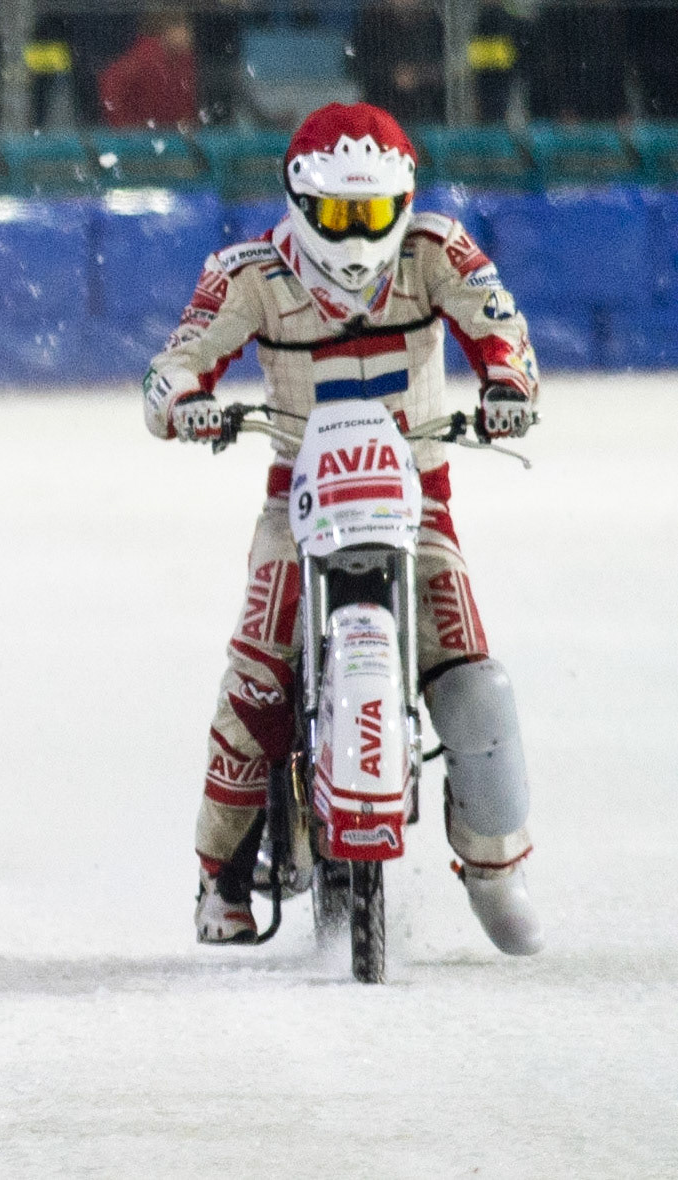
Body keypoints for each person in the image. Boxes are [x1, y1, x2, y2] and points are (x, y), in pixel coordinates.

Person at [140, 103, 544, 956]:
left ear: (400, 202)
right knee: (253, 679)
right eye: (335, 214)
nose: (354, 235)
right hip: (299, 498)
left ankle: (496, 866)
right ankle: (220, 878)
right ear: (296, 202)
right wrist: (182, 404)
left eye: (370, 214)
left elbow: (498, 324)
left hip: (418, 497)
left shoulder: (436, 248)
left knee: (473, 681)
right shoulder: (246, 271)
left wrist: (508, 387)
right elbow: (177, 358)